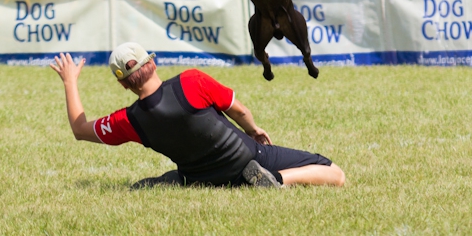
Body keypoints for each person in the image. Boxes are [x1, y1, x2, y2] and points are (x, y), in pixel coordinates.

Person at [50, 42, 345, 188]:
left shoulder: (128, 120)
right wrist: (255, 129)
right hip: (247, 159)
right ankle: (277, 180)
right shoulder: (191, 80)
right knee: (335, 173)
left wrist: (69, 82)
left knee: (176, 176)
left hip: (201, 178)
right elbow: (238, 110)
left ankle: (176, 180)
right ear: (152, 61)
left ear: (122, 83)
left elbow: (79, 129)